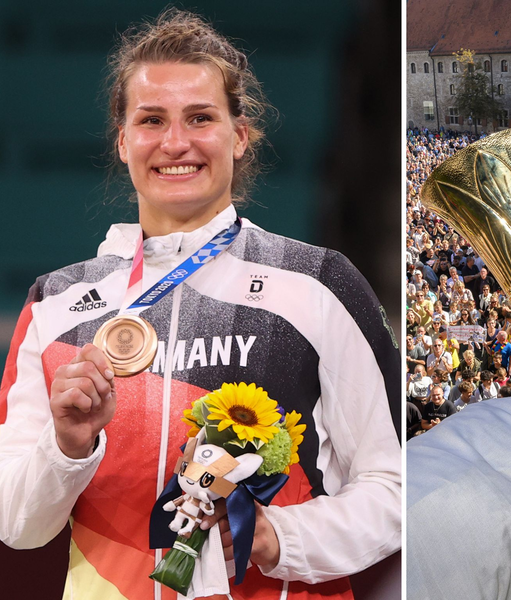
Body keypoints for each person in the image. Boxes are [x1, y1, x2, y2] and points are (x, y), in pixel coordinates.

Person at [0, 10, 400, 600]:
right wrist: (67, 445)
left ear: (239, 136)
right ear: (123, 139)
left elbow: (393, 487)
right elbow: (18, 526)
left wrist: (278, 537)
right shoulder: (55, 306)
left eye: (201, 118)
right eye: (152, 120)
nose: (175, 142)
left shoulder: (318, 285)